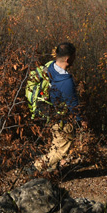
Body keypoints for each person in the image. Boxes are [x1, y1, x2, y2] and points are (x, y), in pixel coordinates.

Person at [33, 42, 86, 172]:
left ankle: (51, 172)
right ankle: (35, 168)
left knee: (55, 146)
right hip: (63, 120)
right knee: (61, 152)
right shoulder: (65, 82)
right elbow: (73, 106)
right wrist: (82, 121)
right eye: (74, 57)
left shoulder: (49, 68)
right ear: (68, 59)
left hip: (52, 115)